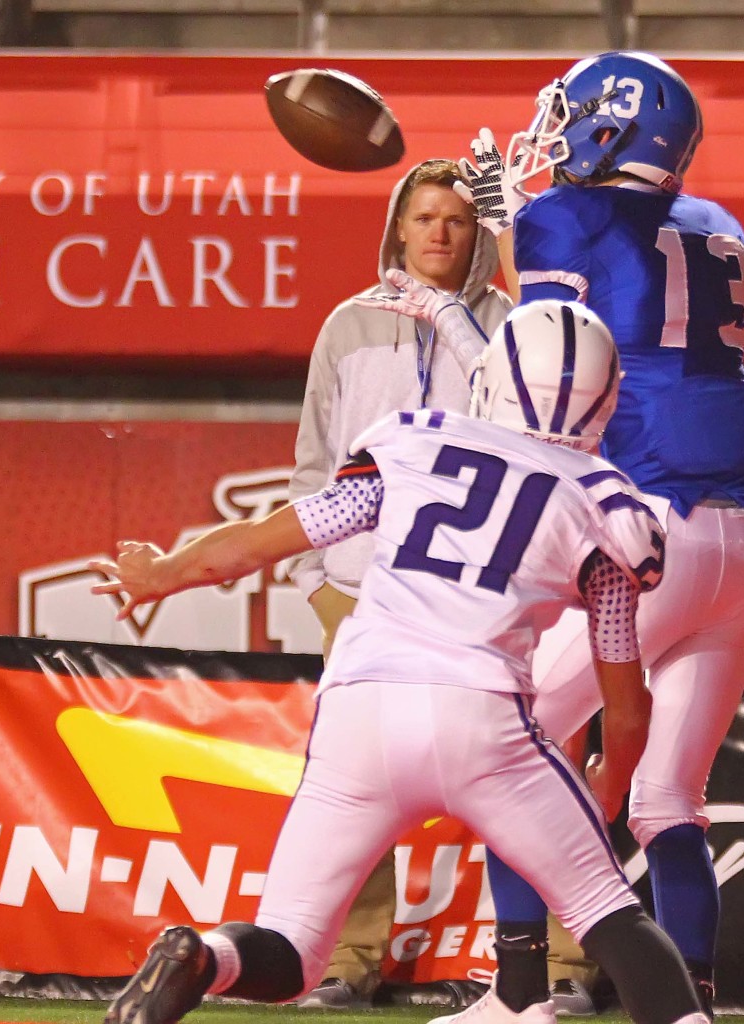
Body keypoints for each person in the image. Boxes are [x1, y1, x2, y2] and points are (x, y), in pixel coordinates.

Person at [93, 299, 707, 1024]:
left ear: (491, 379)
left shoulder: (417, 445)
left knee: (288, 951)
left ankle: (202, 954)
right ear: (606, 397)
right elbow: (625, 699)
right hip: (481, 721)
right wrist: (609, 782)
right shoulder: (606, 505)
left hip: (360, 708)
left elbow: (263, 541)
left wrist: (163, 573)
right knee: (610, 916)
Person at [412, 50, 744, 1020]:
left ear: (616, 127)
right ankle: (690, 1000)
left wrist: (500, 243)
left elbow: (542, 363)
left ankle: (517, 989)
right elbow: (617, 291)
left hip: (647, 521)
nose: (551, 132)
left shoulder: (556, 218)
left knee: (513, 739)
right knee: (666, 798)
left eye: (566, 115)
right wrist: (513, 230)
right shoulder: (718, 225)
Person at [286, 157, 512, 1009]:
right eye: (423, 218)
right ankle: (348, 958)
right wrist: (317, 578)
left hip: (476, 588)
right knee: (352, 777)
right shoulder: (348, 324)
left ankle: (551, 964)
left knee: (527, 765)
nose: (439, 233)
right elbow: (315, 454)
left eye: (455, 219)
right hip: (361, 591)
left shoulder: (506, 327)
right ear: (398, 228)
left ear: (478, 234)